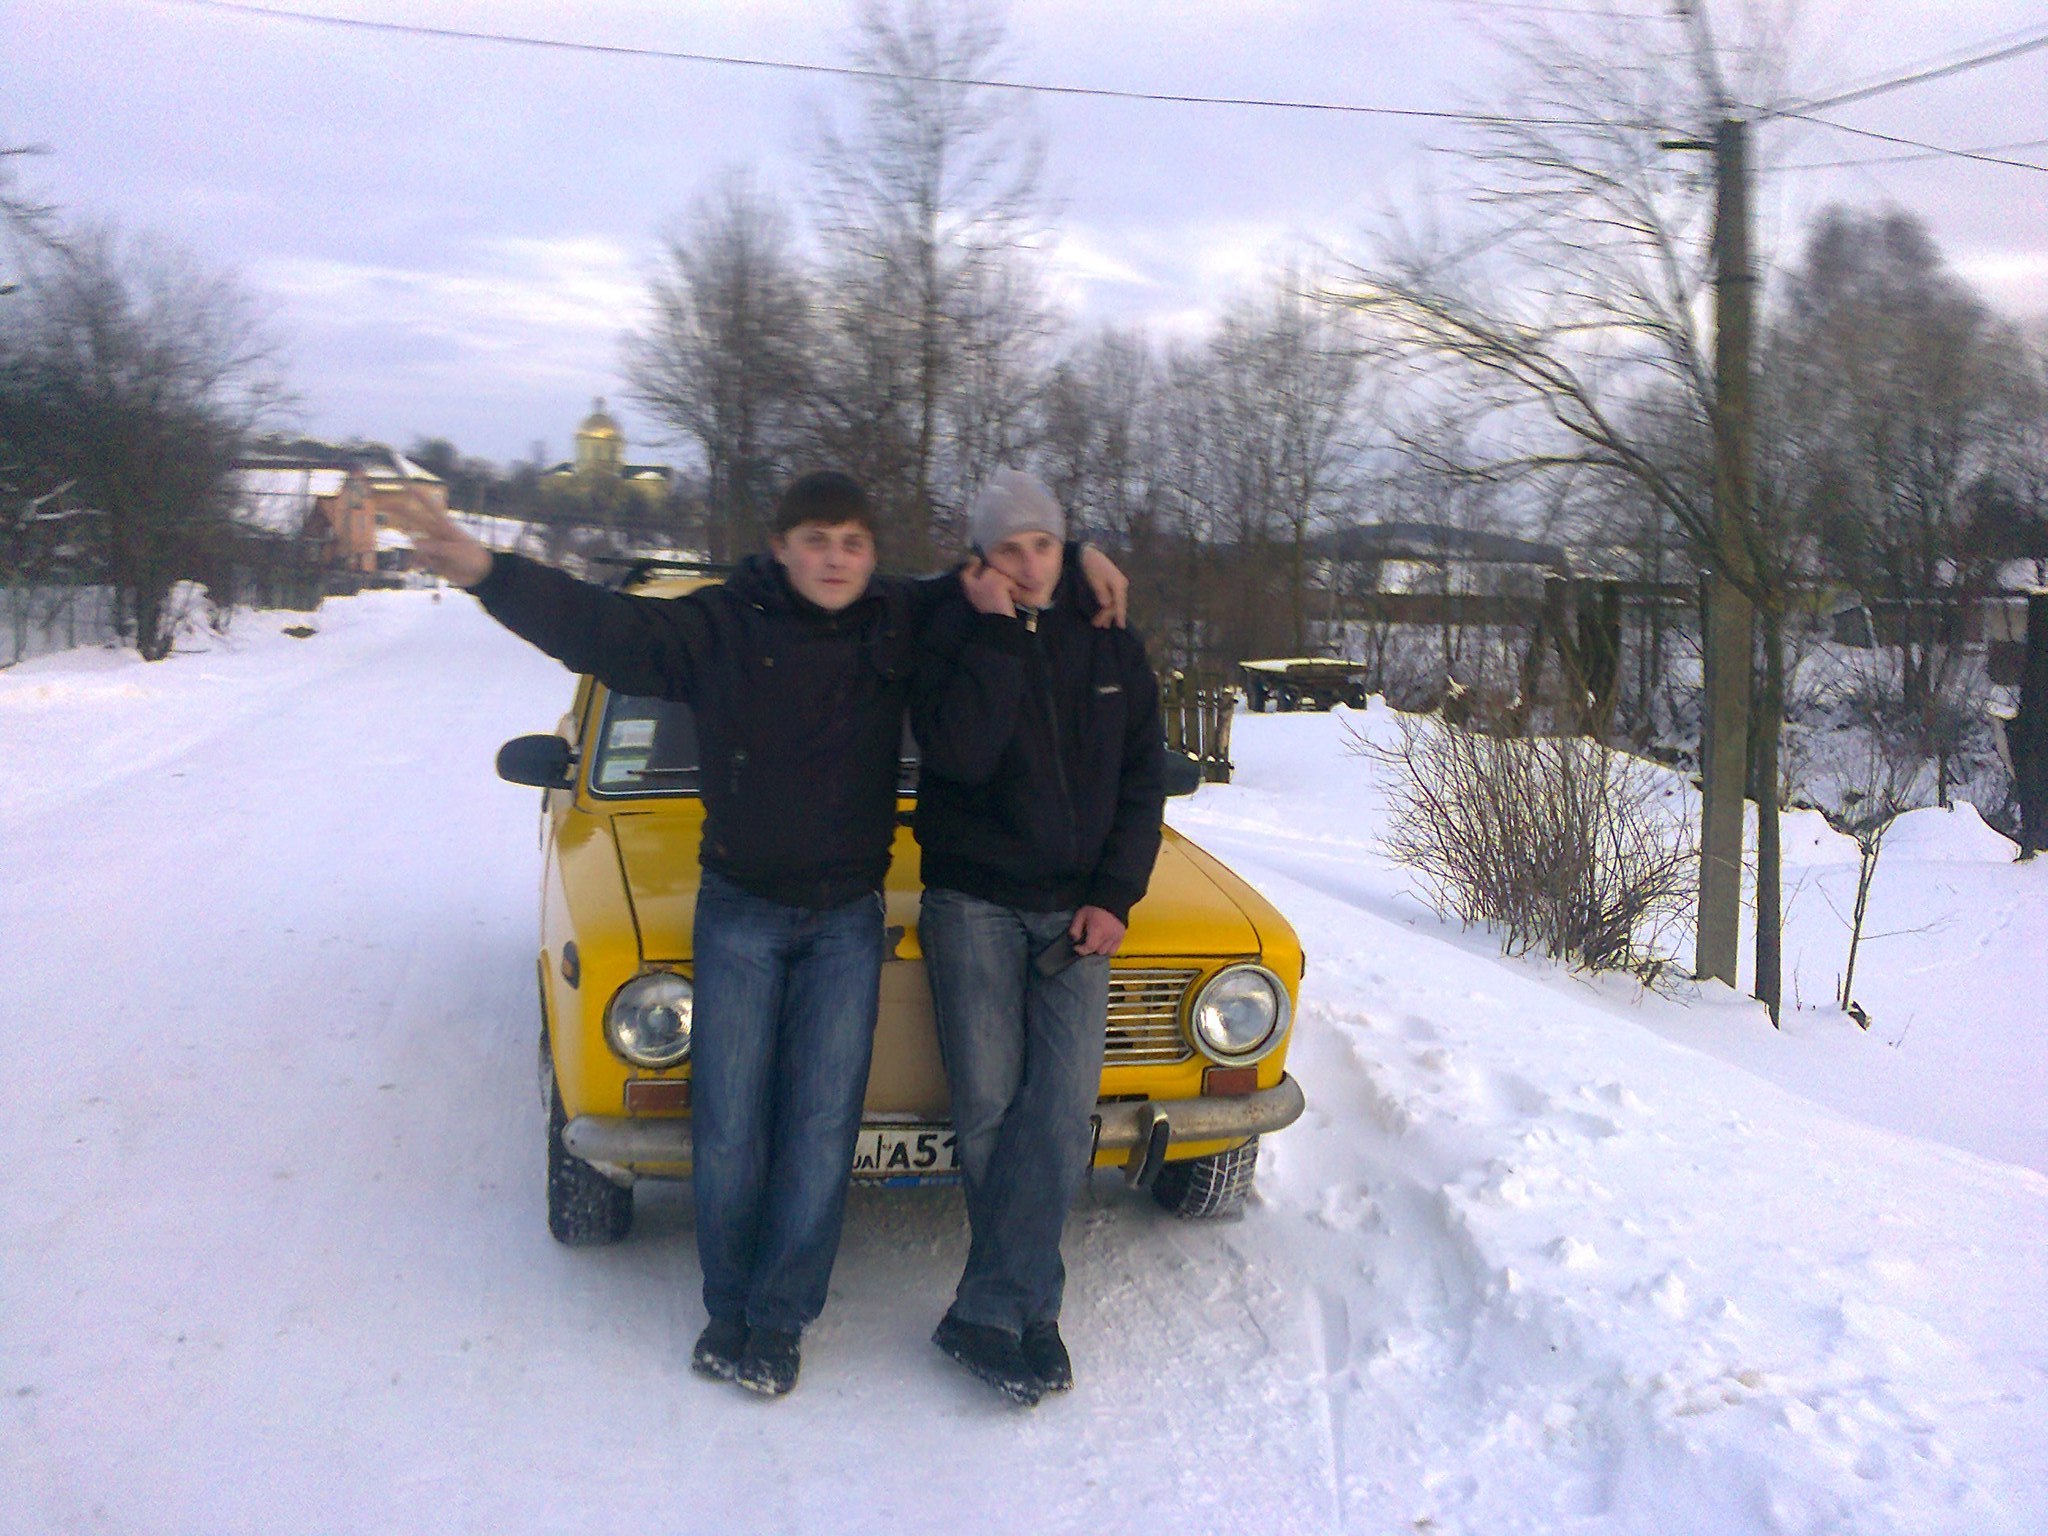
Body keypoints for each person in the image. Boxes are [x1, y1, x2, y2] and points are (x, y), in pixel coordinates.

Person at [390, 473, 1127, 1398]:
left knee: (819, 1130)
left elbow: (1008, 570)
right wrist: (486, 571)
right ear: (781, 548)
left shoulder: (896, 619)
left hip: (846, 921)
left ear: (872, 557)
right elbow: (604, 628)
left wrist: (1086, 553)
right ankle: (728, 1307)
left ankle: (778, 1323)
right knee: (730, 1126)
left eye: (852, 543)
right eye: (816, 539)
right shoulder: (722, 626)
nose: (835, 559)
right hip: (739, 910)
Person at [909, 468, 1166, 1405]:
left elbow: (1142, 781)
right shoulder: (949, 633)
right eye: (1008, 549)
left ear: (1065, 547)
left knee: (1059, 1111)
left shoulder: (1111, 642)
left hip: (1077, 914)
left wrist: (1116, 895)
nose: (1027, 564)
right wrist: (993, 634)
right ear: (979, 558)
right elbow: (960, 754)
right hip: (971, 902)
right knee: (988, 1109)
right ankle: (1029, 1311)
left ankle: (990, 1308)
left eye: (1044, 545)